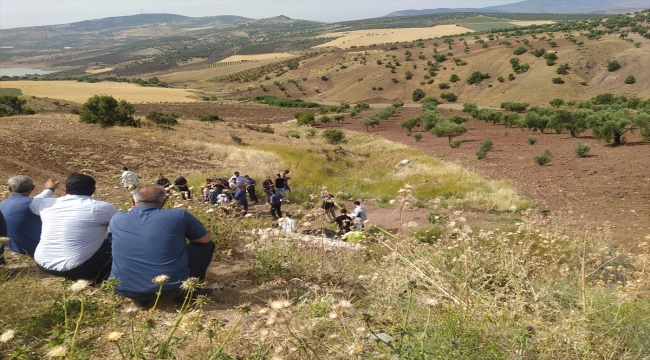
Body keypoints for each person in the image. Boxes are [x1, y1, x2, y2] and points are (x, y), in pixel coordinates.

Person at [109, 185, 215, 309]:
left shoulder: (117, 218)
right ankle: (187, 291)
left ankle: (141, 299)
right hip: (171, 288)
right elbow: (204, 239)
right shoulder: (179, 215)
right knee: (206, 245)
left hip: (124, 288)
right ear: (164, 202)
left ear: (133, 201)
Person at [31, 173, 118, 283]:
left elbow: (34, 202)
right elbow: (120, 228)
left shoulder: (46, 203)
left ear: (66, 190)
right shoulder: (103, 208)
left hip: (42, 263)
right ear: (93, 190)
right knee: (116, 241)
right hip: (77, 268)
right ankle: (105, 275)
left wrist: (49, 189)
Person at [0, 176, 56, 260]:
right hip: (34, 248)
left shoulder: (2, 204)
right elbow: (38, 200)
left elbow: (38, 199)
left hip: (13, 246)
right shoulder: (34, 204)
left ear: (10, 189)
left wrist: (49, 190)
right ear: (33, 187)